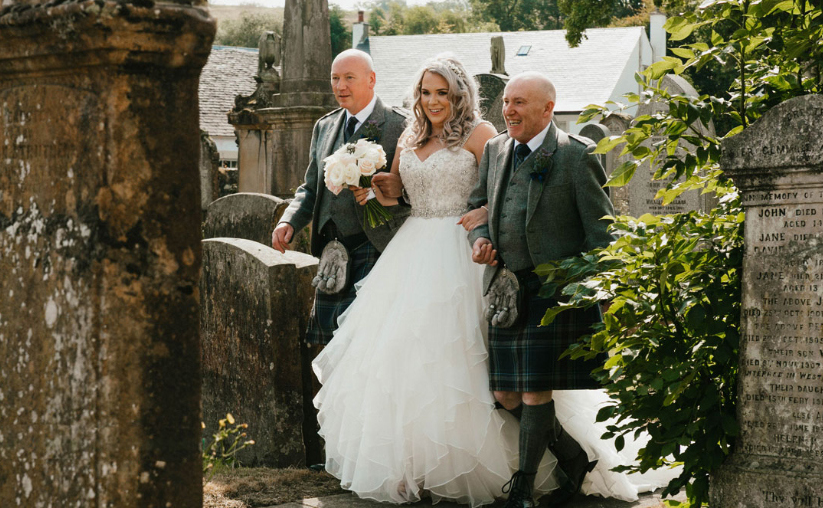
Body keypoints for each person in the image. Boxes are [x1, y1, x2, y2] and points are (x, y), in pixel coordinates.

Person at [313, 58, 671, 506]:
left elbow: (495, 190)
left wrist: (483, 218)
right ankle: (417, 467)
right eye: (426, 92)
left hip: (465, 255)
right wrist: (378, 189)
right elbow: (403, 196)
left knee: (483, 372)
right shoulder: (409, 135)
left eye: (443, 93)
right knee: (406, 363)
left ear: (460, 94)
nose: (434, 101)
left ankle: (536, 463)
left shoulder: (482, 134)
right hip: (412, 252)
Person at [468, 71, 623, 508]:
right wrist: (478, 238)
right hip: (505, 287)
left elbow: (601, 231)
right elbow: (476, 206)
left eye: (519, 103)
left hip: (556, 292)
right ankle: (572, 456)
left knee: (536, 390)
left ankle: (523, 486)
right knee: (504, 394)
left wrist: (604, 291)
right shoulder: (497, 149)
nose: (509, 110)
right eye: (506, 102)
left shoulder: (576, 157)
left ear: (548, 108)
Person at [272, 48, 410, 345]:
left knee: (366, 345)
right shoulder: (325, 125)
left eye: (349, 78)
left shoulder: (400, 125)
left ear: (371, 79)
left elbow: (413, 189)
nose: (340, 86)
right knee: (326, 347)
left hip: (376, 247)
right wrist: (290, 221)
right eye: (335, 78)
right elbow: (310, 187)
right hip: (330, 249)